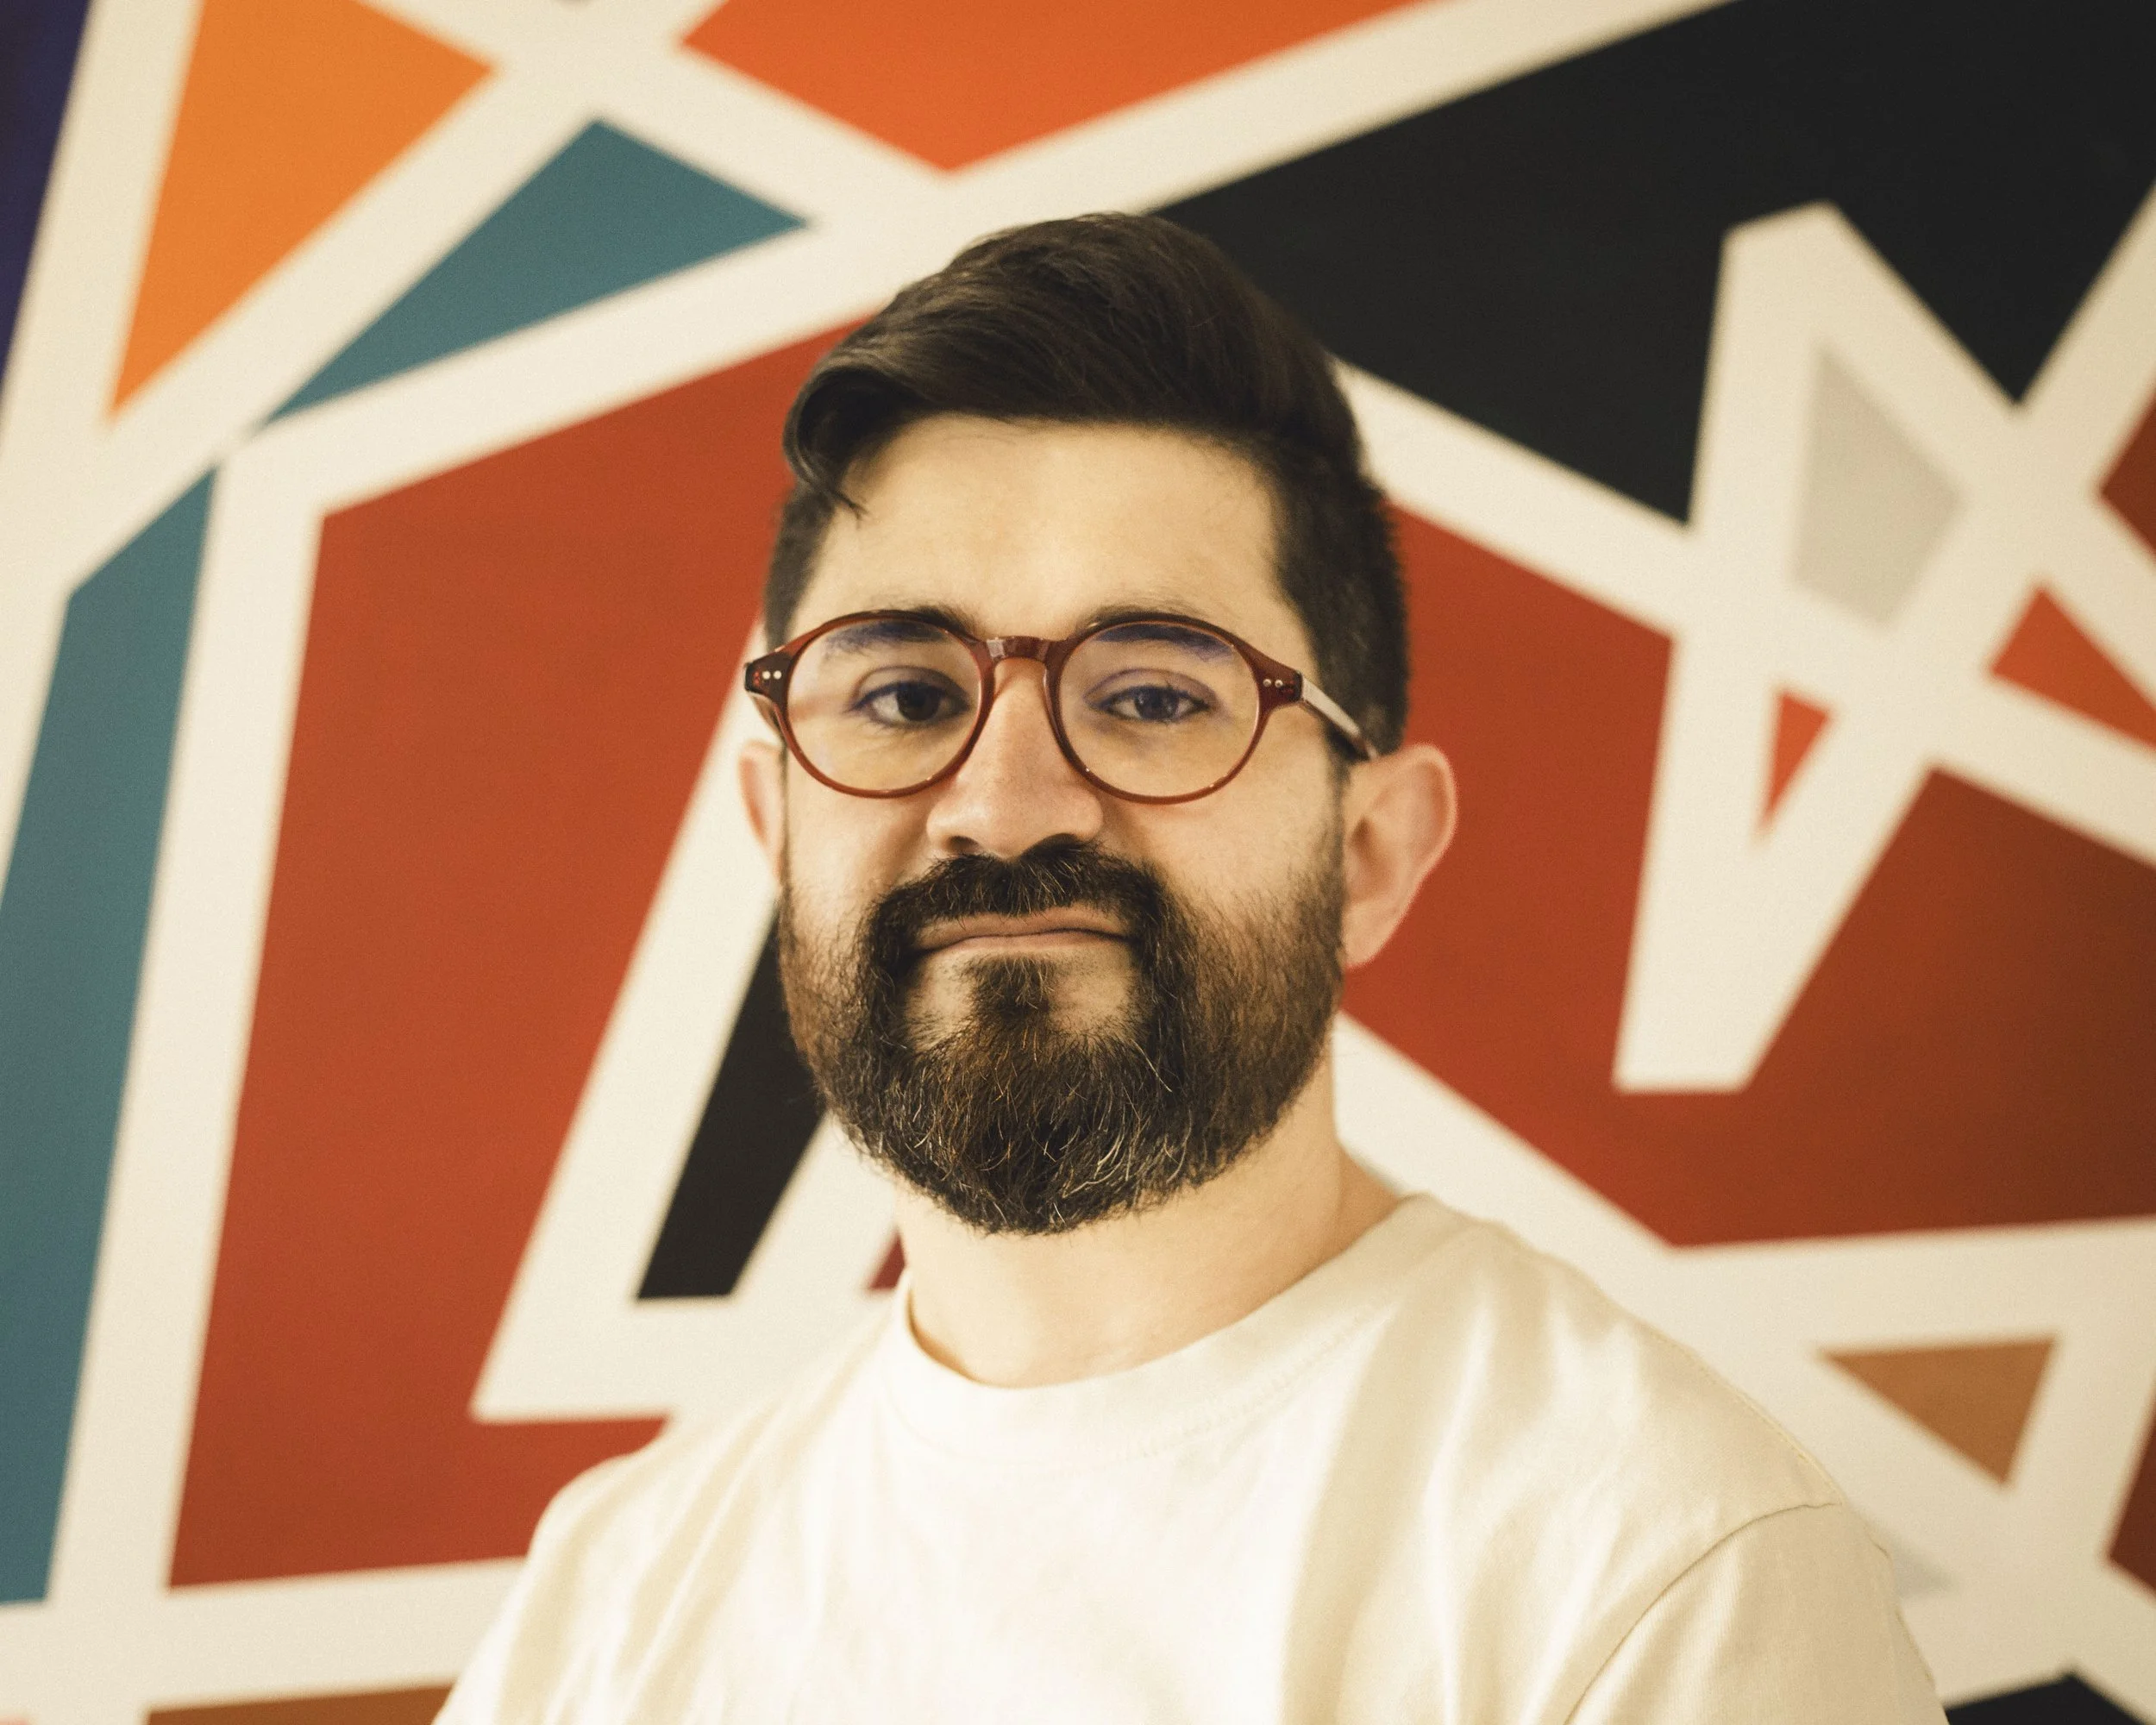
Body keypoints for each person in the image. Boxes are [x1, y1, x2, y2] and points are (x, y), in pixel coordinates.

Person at [439, 214, 1945, 1722]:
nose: (1004, 803)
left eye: (1154, 694)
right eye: (902, 694)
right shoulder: (607, 1606)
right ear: (776, 831)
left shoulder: (1659, 1570)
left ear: (1370, 854)